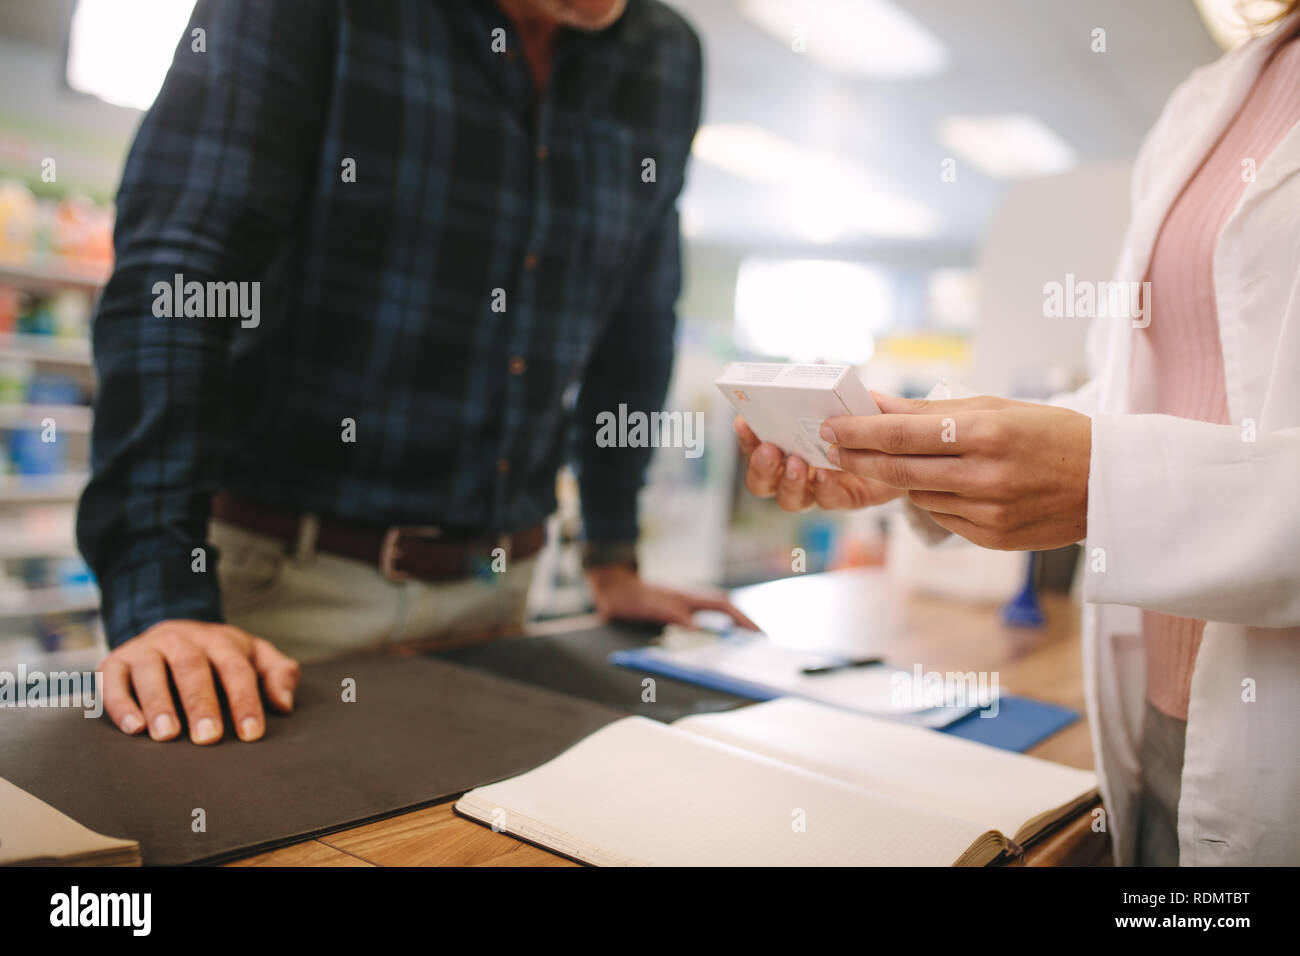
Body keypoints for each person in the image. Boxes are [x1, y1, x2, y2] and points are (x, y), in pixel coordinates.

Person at [78, 0, 752, 748]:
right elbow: (177, 279)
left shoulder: (664, 55)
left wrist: (613, 552)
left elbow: (639, 316)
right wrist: (161, 595)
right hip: (279, 597)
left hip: (502, 600)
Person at [736, 5, 1300, 865]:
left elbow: (1123, 455)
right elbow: (1142, 391)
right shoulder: (1214, 94)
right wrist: (928, 453)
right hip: (1157, 712)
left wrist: (1110, 486)